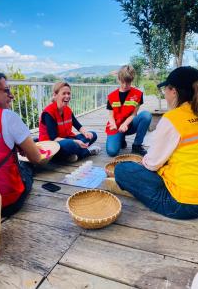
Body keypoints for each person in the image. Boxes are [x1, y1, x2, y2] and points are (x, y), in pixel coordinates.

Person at [115, 66, 198, 219]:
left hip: (184, 203)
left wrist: (146, 161)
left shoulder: (173, 118)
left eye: (165, 89)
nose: (165, 94)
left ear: (174, 91)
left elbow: (152, 164)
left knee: (122, 170)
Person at [0, 70, 47, 217]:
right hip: (4, 204)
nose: (11, 95)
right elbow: (37, 158)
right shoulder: (7, 116)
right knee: (26, 166)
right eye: (6, 90)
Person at [39, 82, 101, 162]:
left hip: (67, 139)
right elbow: (53, 138)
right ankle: (87, 152)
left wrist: (86, 133)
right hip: (52, 144)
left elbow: (78, 126)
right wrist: (75, 141)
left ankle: (70, 156)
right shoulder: (48, 113)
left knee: (93, 135)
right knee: (70, 144)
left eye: (69, 93)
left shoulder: (67, 109)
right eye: (64, 93)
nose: (67, 96)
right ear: (55, 95)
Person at [105, 65, 151, 157]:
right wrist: (113, 123)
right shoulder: (111, 96)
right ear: (118, 79)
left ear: (132, 80)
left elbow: (134, 114)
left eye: (128, 82)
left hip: (130, 125)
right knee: (112, 152)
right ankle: (121, 138)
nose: (125, 85)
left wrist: (125, 124)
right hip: (116, 126)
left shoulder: (138, 94)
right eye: (123, 82)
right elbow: (110, 115)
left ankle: (137, 145)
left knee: (146, 115)